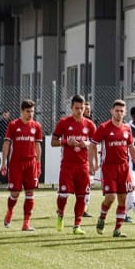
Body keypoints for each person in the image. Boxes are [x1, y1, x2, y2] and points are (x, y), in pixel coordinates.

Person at [92, 99, 135, 238]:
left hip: (124, 168)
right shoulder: (103, 127)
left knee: (122, 199)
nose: (119, 113)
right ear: (111, 111)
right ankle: (102, 217)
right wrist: (94, 162)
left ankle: (117, 230)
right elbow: (92, 145)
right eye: (117, 110)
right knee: (110, 197)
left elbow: (131, 148)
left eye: (121, 111)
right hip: (109, 168)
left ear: (125, 113)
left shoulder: (126, 128)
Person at [51, 94, 97, 236]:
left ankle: (77, 225)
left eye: (82, 108)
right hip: (67, 166)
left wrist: (87, 144)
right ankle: (60, 214)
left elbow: (95, 143)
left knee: (82, 196)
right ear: (71, 108)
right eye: (76, 108)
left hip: (83, 166)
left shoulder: (90, 125)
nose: (79, 111)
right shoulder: (64, 122)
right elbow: (53, 142)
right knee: (63, 194)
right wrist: (66, 142)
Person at [0, 100, 43, 231]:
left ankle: (26, 223)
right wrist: (4, 163)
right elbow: (6, 144)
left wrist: (38, 164)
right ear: (22, 111)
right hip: (16, 163)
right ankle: (10, 212)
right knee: (15, 193)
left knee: (30, 192)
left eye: (32, 111)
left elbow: (37, 145)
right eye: (27, 111)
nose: (30, 114)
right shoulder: (13, 125)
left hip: (31, 163)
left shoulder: (36, 126)